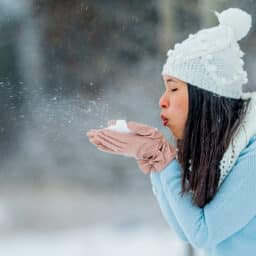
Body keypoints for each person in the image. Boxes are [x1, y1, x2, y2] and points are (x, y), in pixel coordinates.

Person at [87, 7, 256, 256]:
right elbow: (184, 230)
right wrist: (156, 162)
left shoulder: (252, 157)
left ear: (205, 96)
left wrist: (165, 160)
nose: (162, 101)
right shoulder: (226, 152)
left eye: (174, 89)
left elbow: (203, 233)